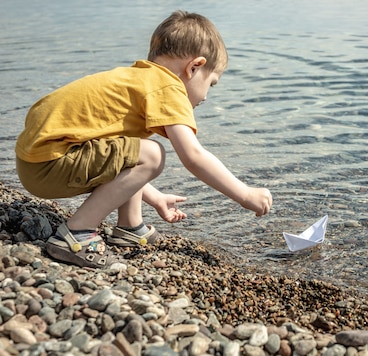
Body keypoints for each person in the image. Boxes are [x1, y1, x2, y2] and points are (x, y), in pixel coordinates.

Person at [14, 10, 273, 269]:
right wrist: (245, 195)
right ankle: (77, 233)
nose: (205, 97)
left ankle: (129, 226)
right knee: (153, 154)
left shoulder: (138, 81)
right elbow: (194, 157)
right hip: (51, 163)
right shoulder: (168, 87)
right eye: (211, 83)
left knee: (136, 147)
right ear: (195, 67)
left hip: (36, 163)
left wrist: (155, 196)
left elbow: (119, 158)